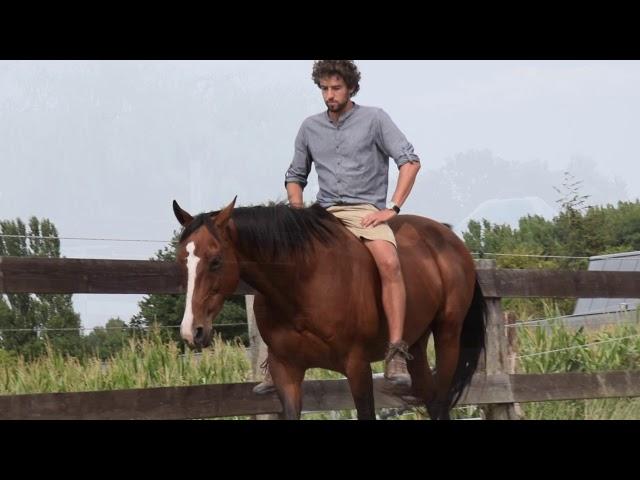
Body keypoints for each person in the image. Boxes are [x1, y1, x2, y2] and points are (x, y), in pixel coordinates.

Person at [253, 60, 421, 394]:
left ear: (351, 88)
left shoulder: (375, 119)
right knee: (280, 267)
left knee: (389, 262)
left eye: (336, 88)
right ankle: (277, 355)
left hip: (366, 211)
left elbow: (410, 161)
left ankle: (397, 351)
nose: (329, 95)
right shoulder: (309, 127)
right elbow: (295, 176)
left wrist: (393, 208)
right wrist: (297, 214)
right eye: (324, 89)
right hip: (322, 215)